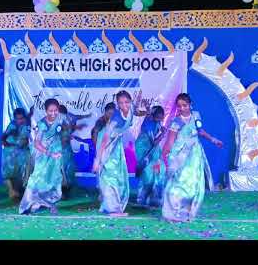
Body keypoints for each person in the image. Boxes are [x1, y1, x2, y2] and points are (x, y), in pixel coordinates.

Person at [160, 93, 223, 222]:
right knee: (179, 182)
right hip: (180, 153)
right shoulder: (176, 121)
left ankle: (187, 211)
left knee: (193, 182)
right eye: (179, 106)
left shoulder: (196, 116)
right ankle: (173, 211)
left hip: (194, 153)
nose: (182, 108)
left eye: (185, 105)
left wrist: (213, 139)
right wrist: (164, 156)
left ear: (190, 105)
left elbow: (200, 131)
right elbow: (170, 141)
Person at [93, 90, 146, 217]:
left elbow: (138, 112)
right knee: (109, 175)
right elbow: (105, 137)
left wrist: (143, 107)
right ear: (117, 104)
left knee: (119, 175)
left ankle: (110, 204)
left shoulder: (131, 108)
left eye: (127, 102)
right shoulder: (116, 118)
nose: (124, 105)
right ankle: (113, 209)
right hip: (106, 143)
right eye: (120, 103)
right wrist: (98, 158)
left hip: (116, 143)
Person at [19, 99, 68, 215]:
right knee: (36, 178)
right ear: (46, 111)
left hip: (56, 154)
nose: (53, 113)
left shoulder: (60, 119)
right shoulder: (42, 124)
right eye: (50, 111)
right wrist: (50, 153)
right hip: (44, 154)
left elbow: (60, 132)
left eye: (56, 110)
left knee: (53, 178)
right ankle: (26, 205)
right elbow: (37, 143)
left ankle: (47, 203)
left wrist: (59, 146)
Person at [135, 105, 167, 207]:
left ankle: (155, 197)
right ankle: (142, 197)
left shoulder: (155, 120)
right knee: (147, 171)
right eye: (158, 118)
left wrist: (161, 129)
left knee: (159, 169)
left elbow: (158, 126)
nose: (160, 120)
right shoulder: (148, 125)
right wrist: (163, 134)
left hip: (153, 149)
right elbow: (154, 142)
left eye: (161, 118)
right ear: (153, 116)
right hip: (144, 148)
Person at [58, 105, 90, 198]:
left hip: (67, 149)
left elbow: (77, 117)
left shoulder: (69, 117)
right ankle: (61, 192)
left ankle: (66, 191)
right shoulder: (55, 122)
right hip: (58, 149)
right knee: (61, 170)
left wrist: (87, 116)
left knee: (69, 170)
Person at [1, 108, 31, 200]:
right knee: (9, 174)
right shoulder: (12, 126)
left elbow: (25, 141)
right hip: (11, 153)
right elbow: (3, 139)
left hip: (22, 153)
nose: (20, 121)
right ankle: (12, 191)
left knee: (24, 171)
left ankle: (20, 191)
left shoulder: (26, 126)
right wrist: (9, 143)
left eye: (22, 118)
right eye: (18, 119)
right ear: (14, 118)